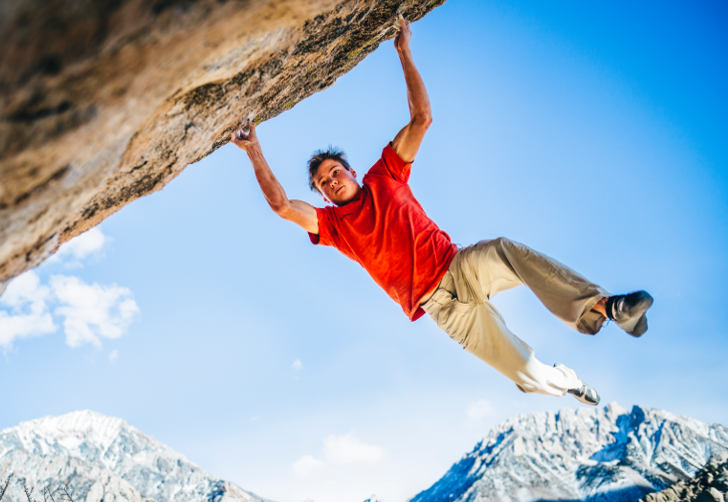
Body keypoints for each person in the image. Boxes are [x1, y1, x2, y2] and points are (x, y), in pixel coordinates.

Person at [229, 15, 652, 405]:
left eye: (335, 171)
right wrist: (254, 151)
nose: (331, 181)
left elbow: (422, 118)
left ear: (351, 170)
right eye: (323, 183)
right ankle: (568, 381)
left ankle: (606, 307)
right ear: (322, 195)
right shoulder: (333, 226)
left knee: (506, 250)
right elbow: (282, 205)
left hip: (459, 265)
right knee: (527, 374)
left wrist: (404, 51)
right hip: (444, 308)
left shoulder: (385, 174)